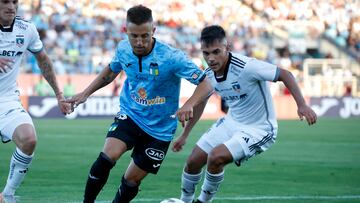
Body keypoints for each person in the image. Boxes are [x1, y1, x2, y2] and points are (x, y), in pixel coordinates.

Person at [65, 5, 212, 203]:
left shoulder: (171, 57)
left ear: (153, 31)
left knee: (131, 181)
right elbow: (110, 72)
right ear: (126, 32)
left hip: (160, 128)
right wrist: (85, 93)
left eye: (145, 35)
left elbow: (206, 83)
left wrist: (189, 104)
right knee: (107, 157)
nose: (139, 42)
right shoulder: (123, 49)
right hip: (131, 114)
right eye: (134, 36)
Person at [173, 25, 317, 203]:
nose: (210, 58)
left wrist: (302, 105)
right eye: (206, 53)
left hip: (259, 129)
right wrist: (185, 135)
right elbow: (201, 102)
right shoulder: (209, 74)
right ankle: (184, 201)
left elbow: (285, 74)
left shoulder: (247, 66)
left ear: (227, 47)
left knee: (216, 157)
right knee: (193, 161)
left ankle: (203, 201)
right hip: (232, 122)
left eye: (216, 52)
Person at [0, 0, 71, 202]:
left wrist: (59, 94)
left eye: (15, 2)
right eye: (5, 1)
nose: (11, 6)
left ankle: (8, 195)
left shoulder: (26, 29)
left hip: (6, 100)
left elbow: (43, 60)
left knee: (28, 139)